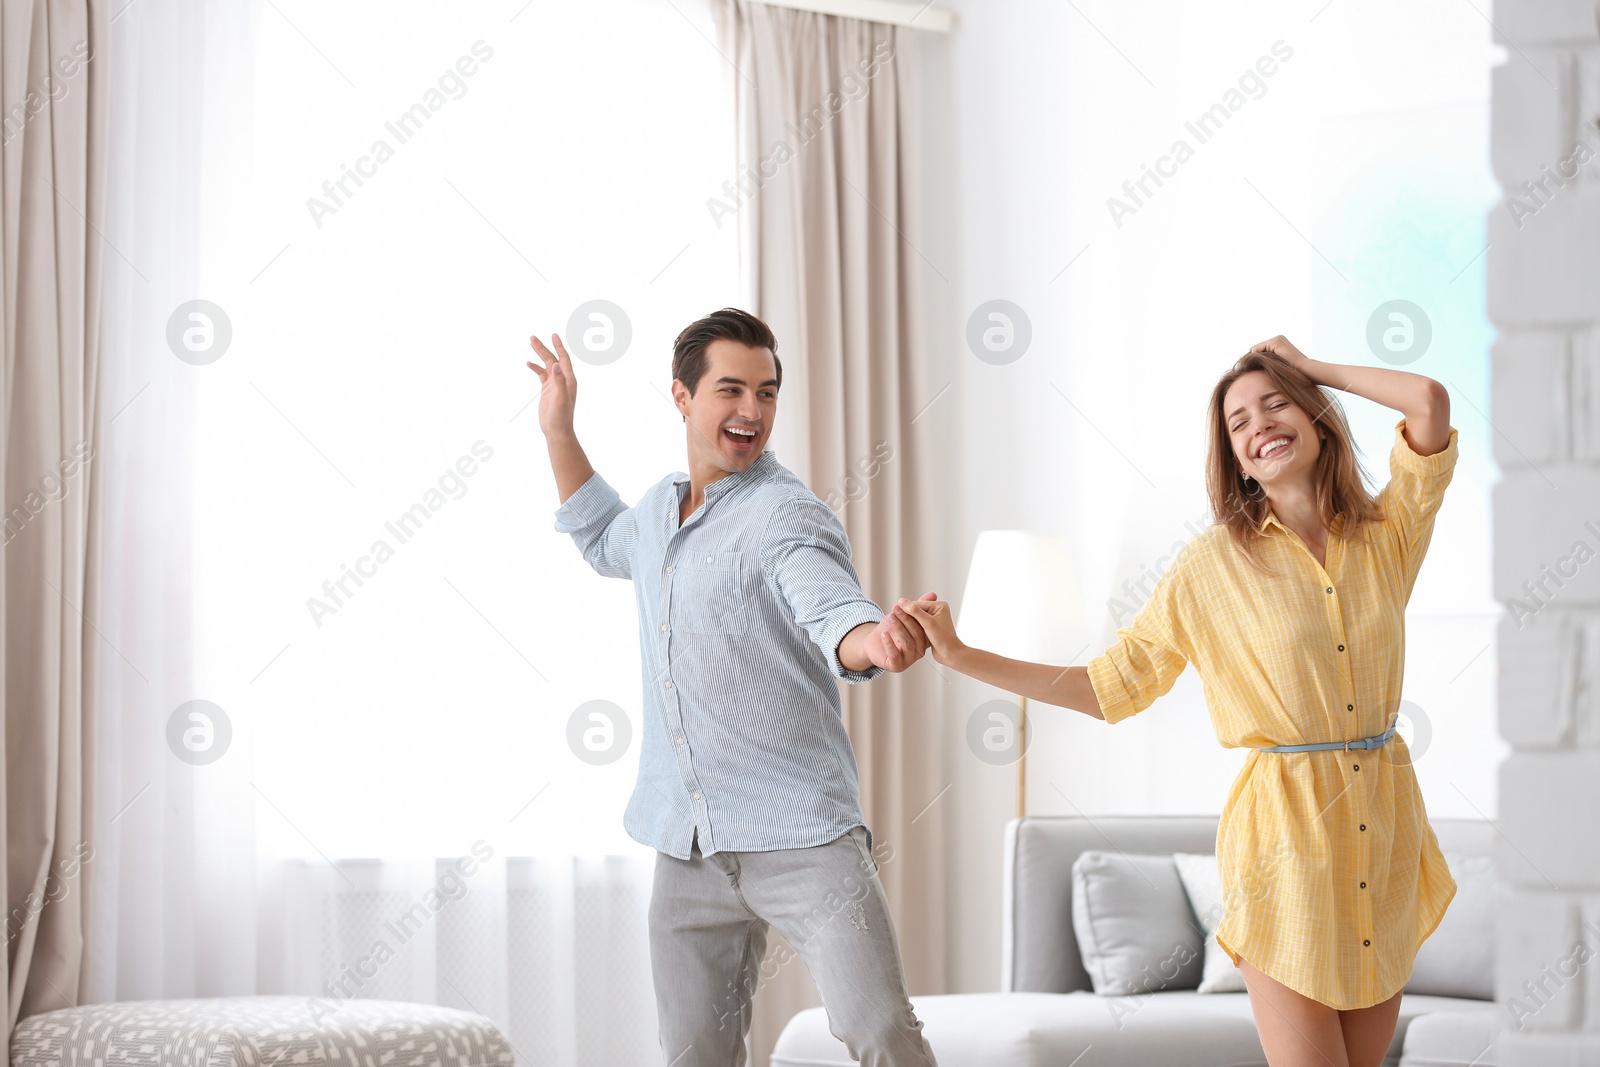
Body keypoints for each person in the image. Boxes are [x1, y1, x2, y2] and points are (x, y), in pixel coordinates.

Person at [898, 336, 1458, 1067]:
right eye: (1238, 422)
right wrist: (963, 654)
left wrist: (1309, 367)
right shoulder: (1208, 567)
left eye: (1276, 403)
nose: (1259, 424)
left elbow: (1428, 402)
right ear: (1233, 455)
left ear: (1317, 417)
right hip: (1283, 847)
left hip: (1383, 833)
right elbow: (1110, 687)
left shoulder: (1387, 535)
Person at [526, 307, 939, 1067]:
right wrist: (559, 429)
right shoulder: (656, 513)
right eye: (731, 390)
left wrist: (873, 639)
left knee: (881, 1029)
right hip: (687, 844)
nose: (752, 411)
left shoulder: (787, 515)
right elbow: (598, 533)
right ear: (682, 397)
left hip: (803, 834)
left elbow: (832, 608)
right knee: (695, 1057)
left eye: (768, 392)